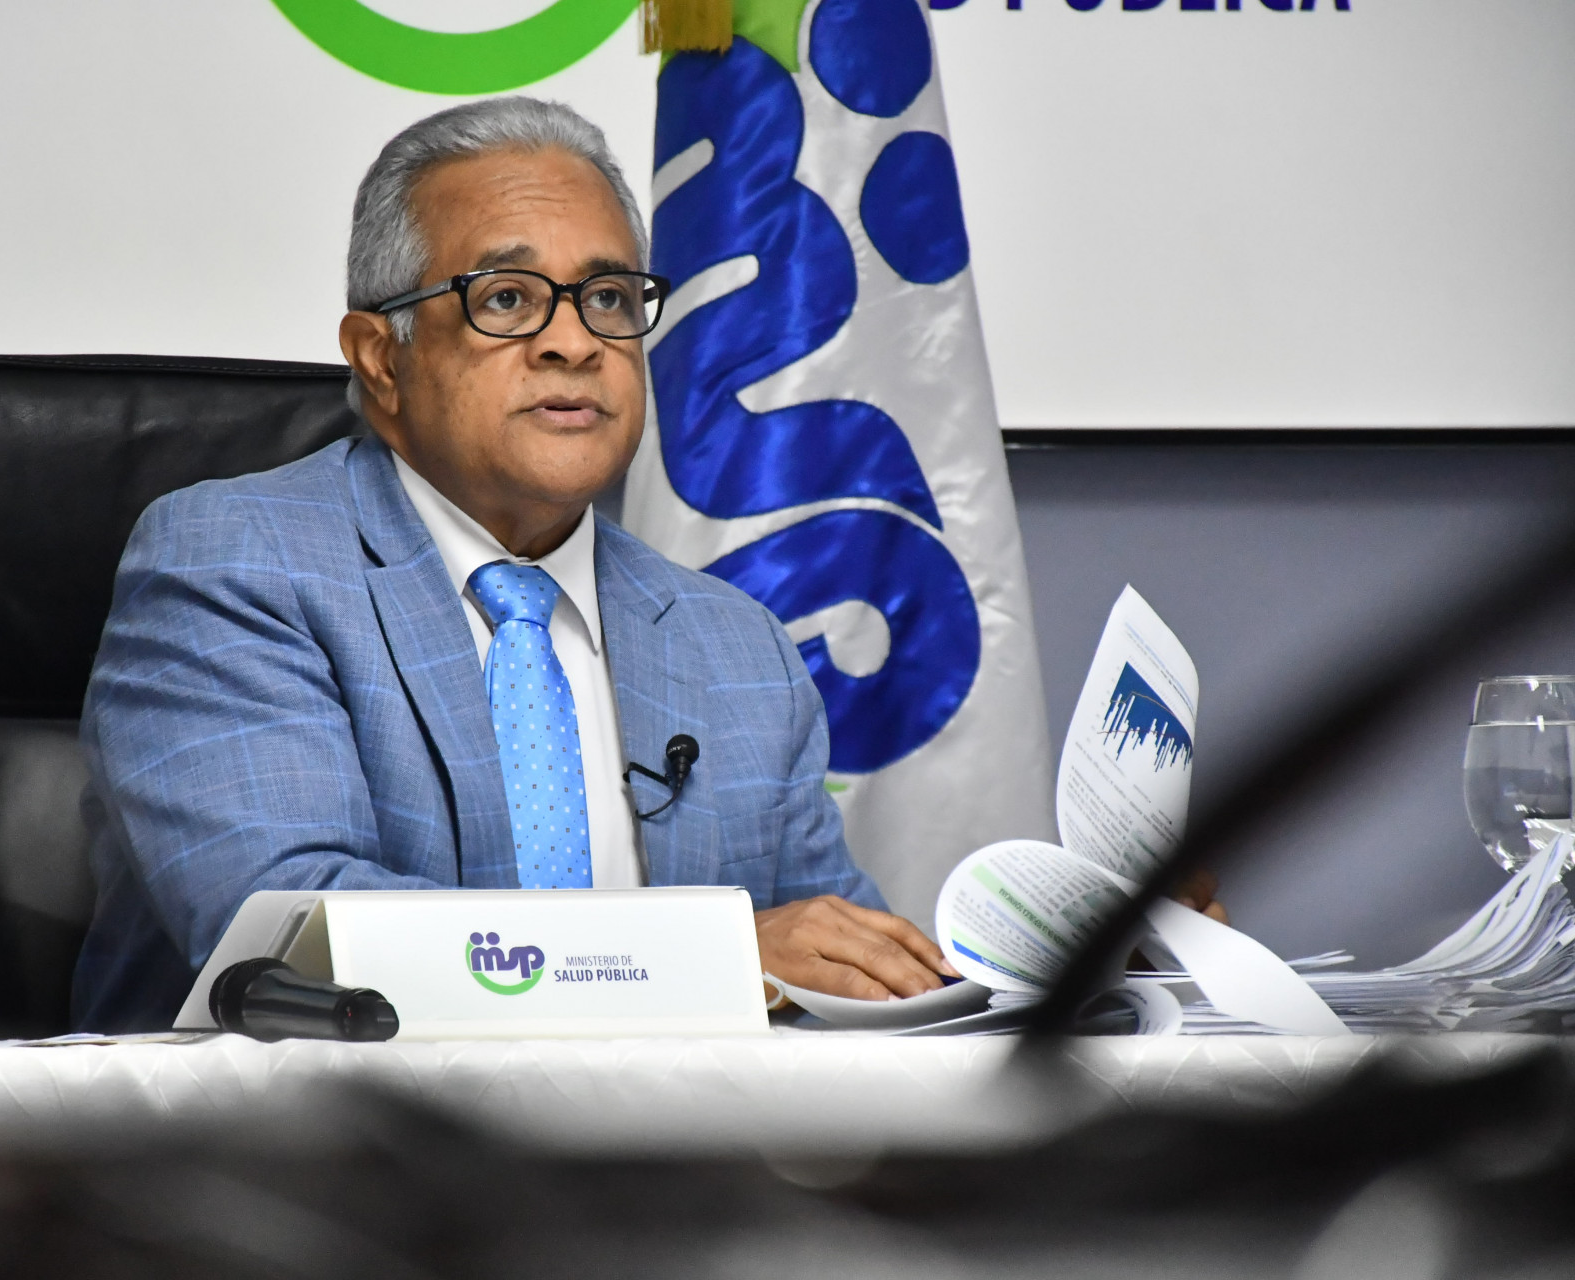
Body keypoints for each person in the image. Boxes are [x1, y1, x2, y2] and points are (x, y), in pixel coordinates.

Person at [70, 97, 967, 1032]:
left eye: (608, 298)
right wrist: (713, 957)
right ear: (381, 358)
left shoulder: (741, 648)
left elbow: (839, 971)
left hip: (694, 1130)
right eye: (506, 298)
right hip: (323, 1128)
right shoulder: (235, 565)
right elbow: (295, 938)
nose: (575, 342)